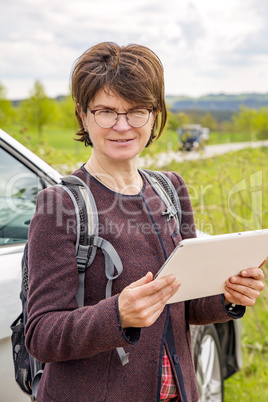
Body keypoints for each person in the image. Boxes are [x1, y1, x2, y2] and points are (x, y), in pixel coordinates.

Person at [25, 42, 265, 402]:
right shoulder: (59, 205)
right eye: (106, 111)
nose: (122, 126)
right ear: (83, 115)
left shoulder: (171, 188)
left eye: (136, 111)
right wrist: (117, 314)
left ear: (155, 114)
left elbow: (186, 305)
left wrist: (228, 296)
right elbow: (41, 334)